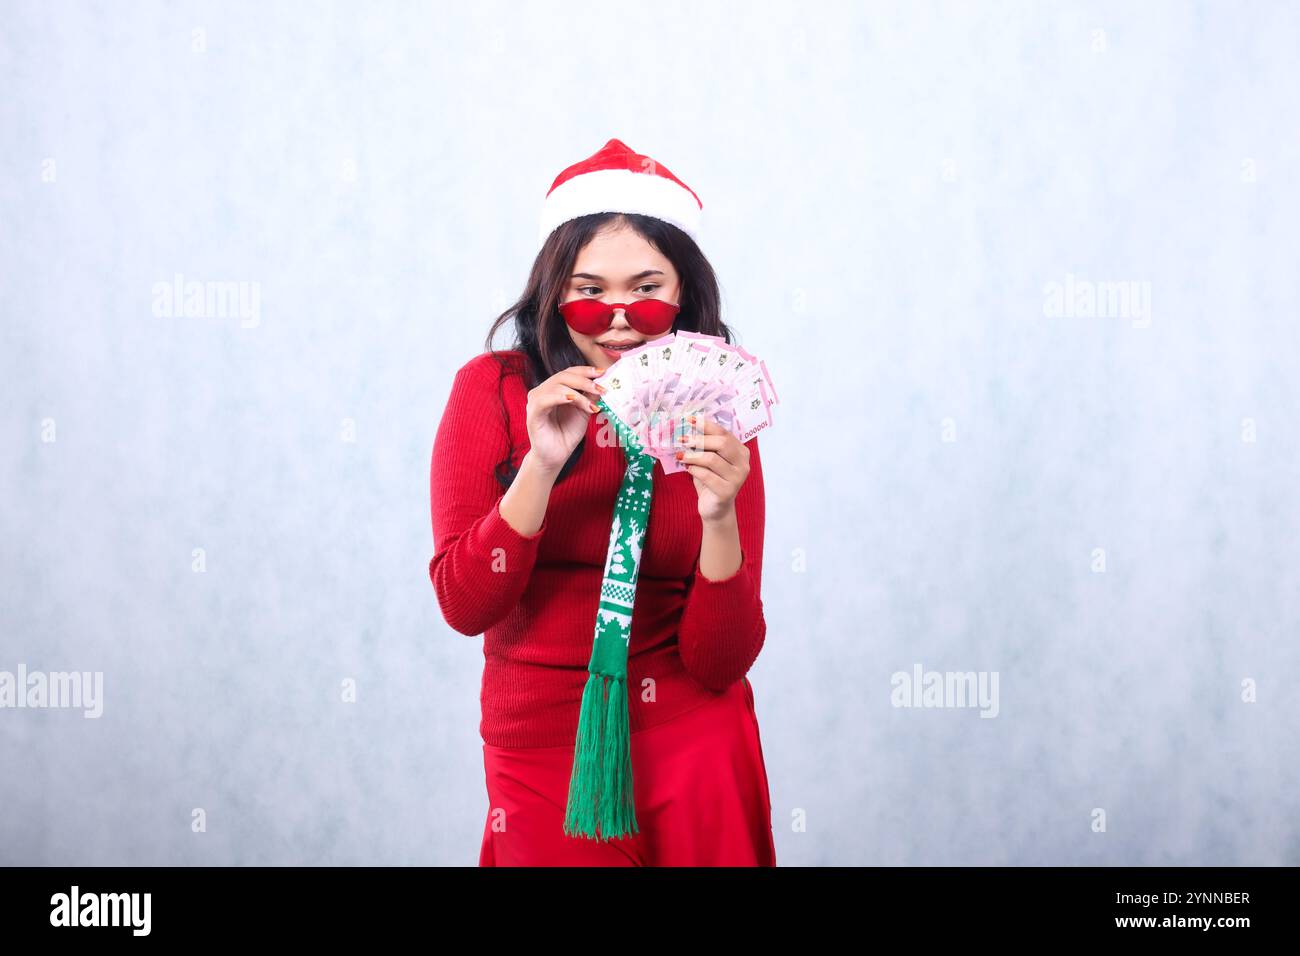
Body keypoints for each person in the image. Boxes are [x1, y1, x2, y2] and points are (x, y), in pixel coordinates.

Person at [429, 138, 775, 866]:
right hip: (544, 736)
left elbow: (722, 660)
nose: (619, 318)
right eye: (590, 293)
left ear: (684, 296)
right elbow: (466, 606)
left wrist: (718, 517)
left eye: (646, 289)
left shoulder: (715, 416)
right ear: (556, 296)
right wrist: (541, 467)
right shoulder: (490, 392)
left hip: (690, 731)